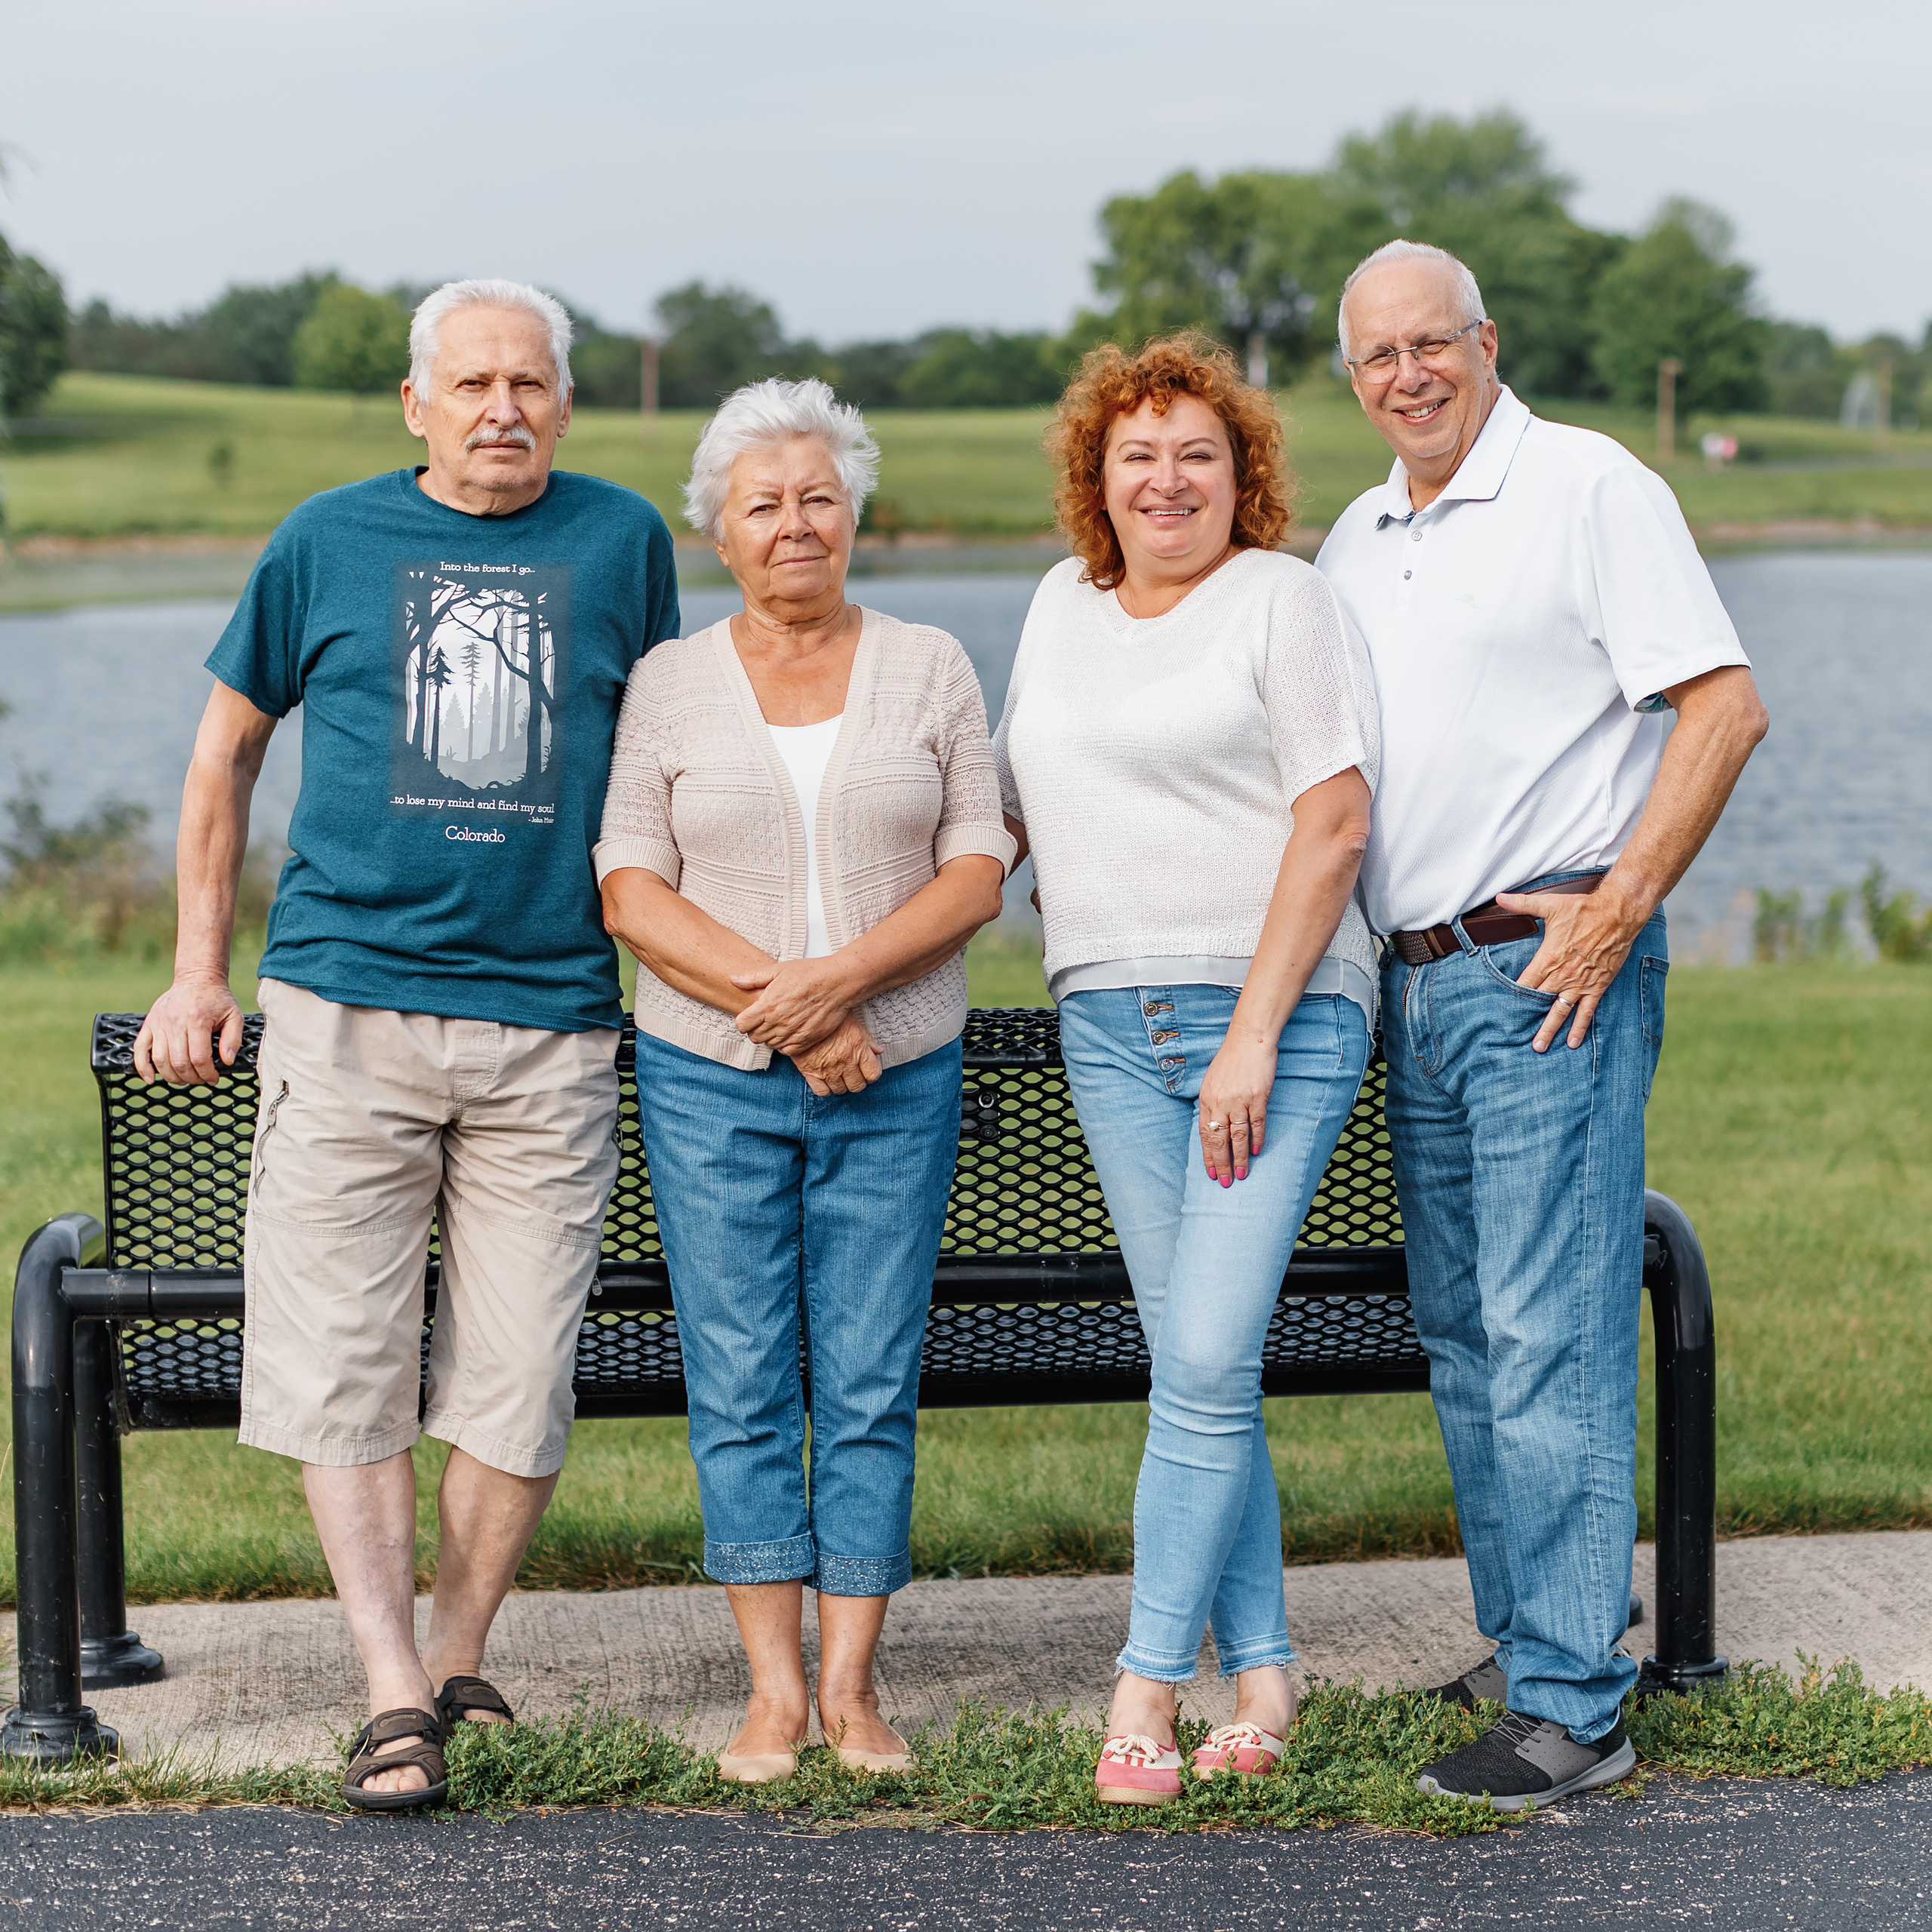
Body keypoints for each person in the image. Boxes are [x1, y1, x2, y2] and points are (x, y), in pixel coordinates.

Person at [133, 279, 681, 1810]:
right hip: (344, 1004)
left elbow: (658, 767)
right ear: (414, 401)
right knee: (345, 1363)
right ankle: (388, 1688)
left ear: (561, 403)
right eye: (474, 382)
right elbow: (223, 752)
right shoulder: (324, 538)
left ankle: (453, 1659)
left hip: (552, 1021)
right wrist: (197, 968)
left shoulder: (623, 539)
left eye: (530, 382)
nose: (503, 407)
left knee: (519, 1374)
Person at [1318, 240, 1767, 1811]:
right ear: (1352, 377)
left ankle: (1578, 1700)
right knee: (1466, 1335)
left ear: (1485, 342)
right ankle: (1532, 1641)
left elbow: (1720, 704)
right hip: (1409, 978)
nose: (1406, 375)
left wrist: (1623, 896)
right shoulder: (1357, 534)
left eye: (1430, 343)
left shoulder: (1588, 487)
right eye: (1375, 356)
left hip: (1539, 966)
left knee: (1551, 1324)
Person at [597, 377, 1012, 1783]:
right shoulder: (666, 684)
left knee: (871, 1377)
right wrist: (792, 1014)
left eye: (819, 499)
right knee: (741, 1380)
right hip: (710, 1078)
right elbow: (631, 892)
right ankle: (771, 1691)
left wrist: (839, 995)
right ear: (719, 531)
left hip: (897, 1075)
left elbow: (978, 866)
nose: (794, 525)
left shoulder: (933, 664)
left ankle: (854, 1690)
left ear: (855, 517)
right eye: (763, 504)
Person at [992, 334, 1381, 1804]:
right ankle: (1265, 1668)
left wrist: (1253, 1035)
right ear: (1097, 475)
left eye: (1195, 454)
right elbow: (1010, 802)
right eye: (1135, 453)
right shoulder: (1055, 605)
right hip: (1103, 1014)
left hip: (1268, 1016)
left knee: (1206, 1359)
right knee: (1196, 1369)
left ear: (1243, 477)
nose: (1164, 478)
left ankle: (1143, 1681)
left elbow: (1332, 822)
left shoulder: (1283, 601)